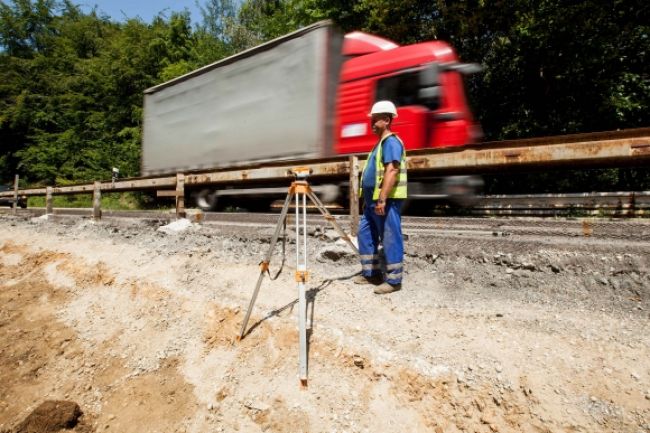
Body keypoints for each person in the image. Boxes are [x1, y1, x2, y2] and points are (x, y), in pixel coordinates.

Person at [354, 100, 407, 294]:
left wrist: (383, 198)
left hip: (385, 202)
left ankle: (394, 281)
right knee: (365, 234)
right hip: (371, 203)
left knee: (390, 237)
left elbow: (391, 171)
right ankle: (371, 274)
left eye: (375, 120)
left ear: (386, 120)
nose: (372, 123)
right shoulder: (379, 144)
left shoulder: (391, 142)